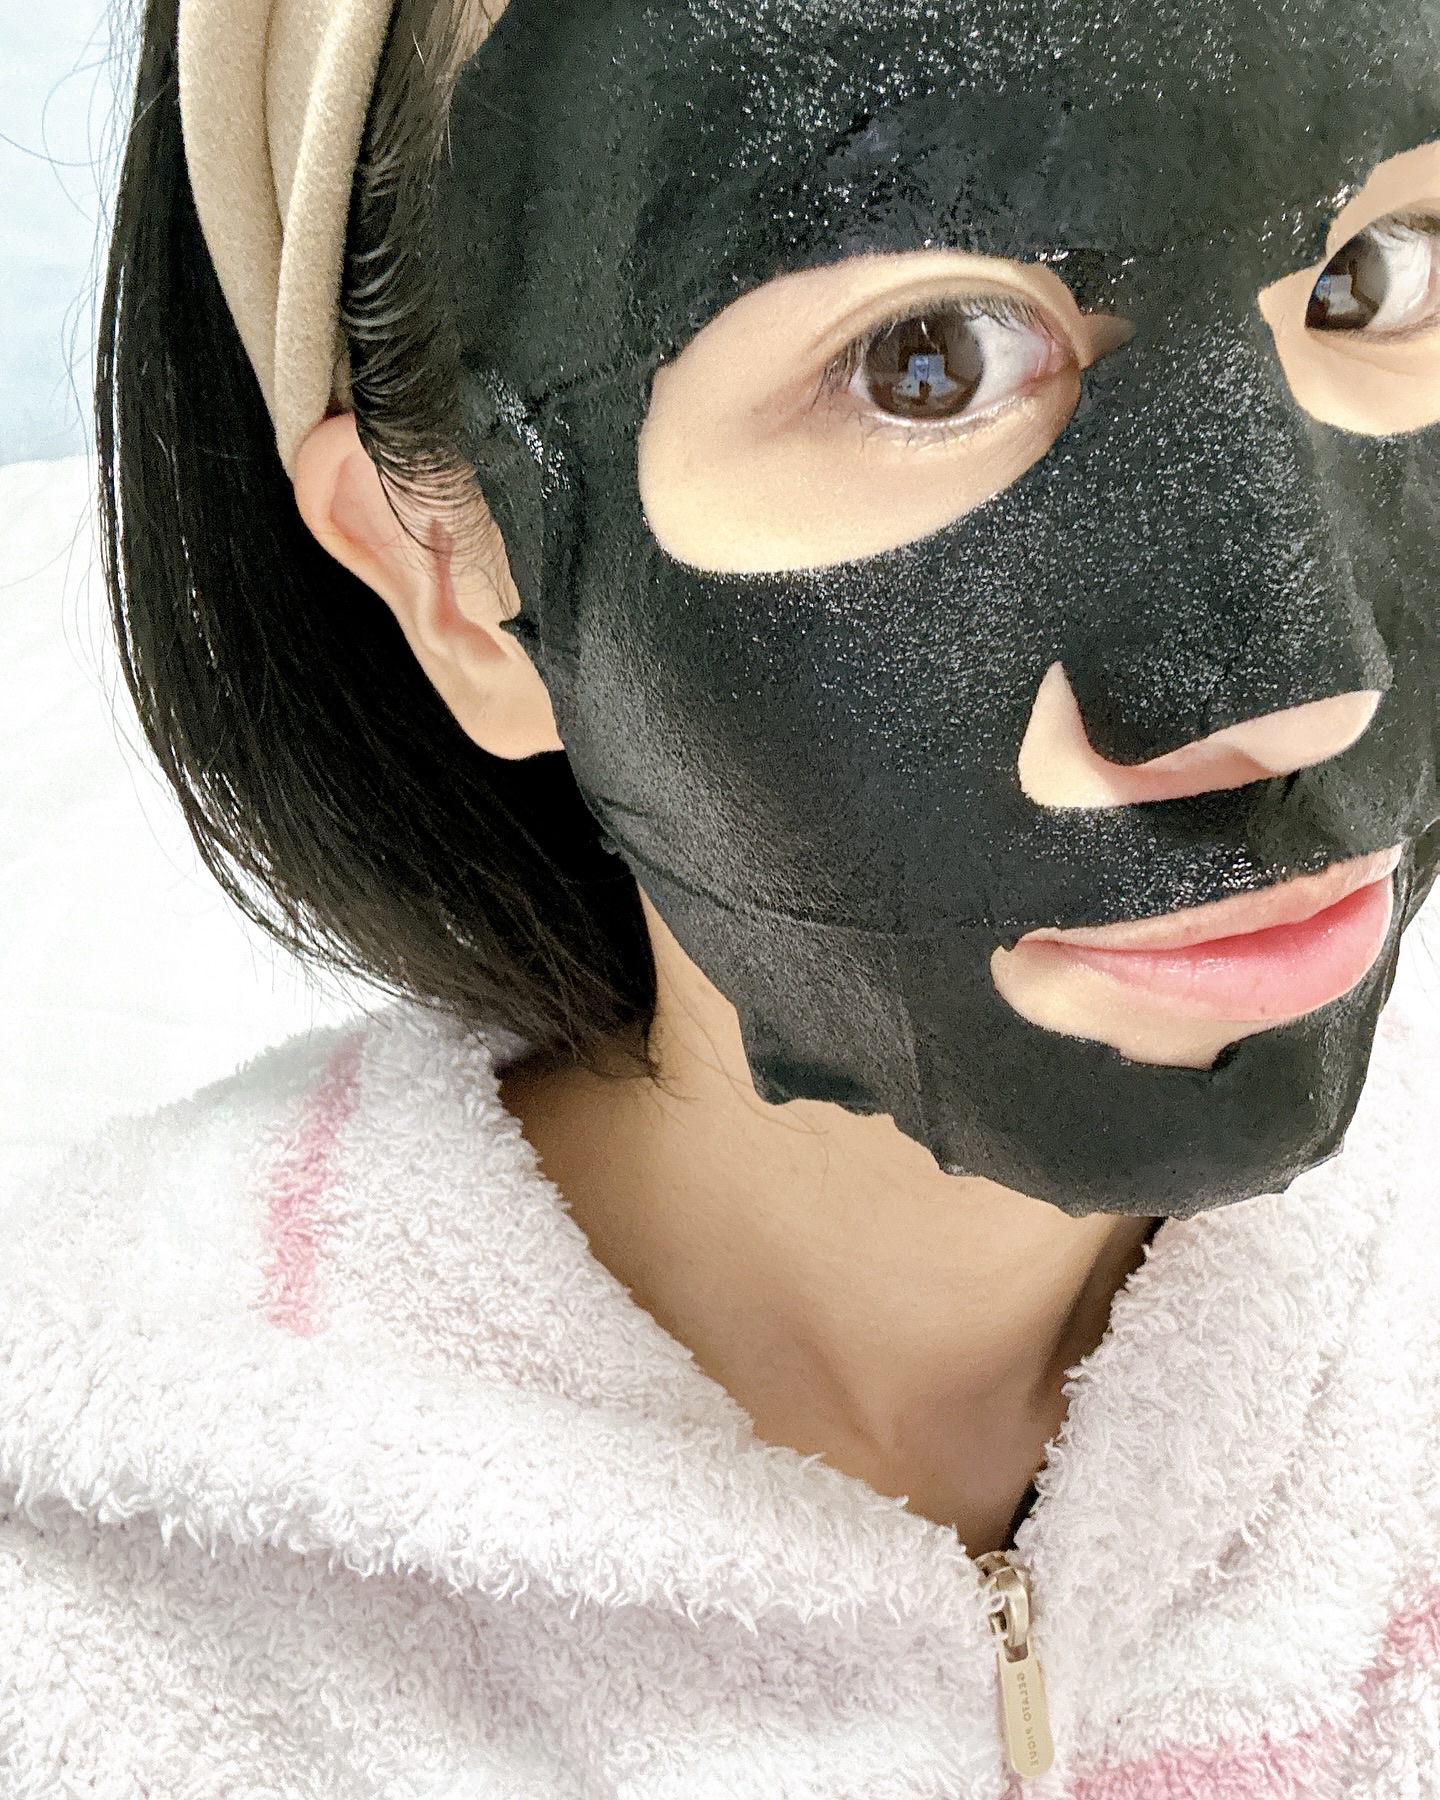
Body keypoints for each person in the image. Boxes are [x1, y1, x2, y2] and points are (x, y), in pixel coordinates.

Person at [2, 0, 1438, 1792]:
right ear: (455, 570)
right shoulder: (92, 1645)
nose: (1304, 692)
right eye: (924, 360)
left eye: (1377, 277)